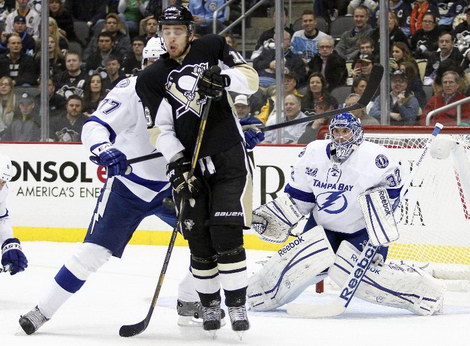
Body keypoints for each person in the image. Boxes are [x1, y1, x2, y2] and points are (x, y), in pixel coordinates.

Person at [18, 36, 219, 335]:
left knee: (212, 240)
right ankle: (43, 310)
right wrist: (103, 148)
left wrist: (242, 139)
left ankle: (189, 299)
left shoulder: (189, 91)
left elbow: (212, 131)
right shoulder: (130, 90)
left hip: (174, 186)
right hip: (128, 188)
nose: (156, 68)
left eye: (162, 62)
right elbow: (95, 125)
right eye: (150, 62)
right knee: (93, 253)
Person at [135, 5, 258, 334]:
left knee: (225, 231)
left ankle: (237, 303)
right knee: (200, 240)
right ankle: (210, 305)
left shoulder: (213, 46)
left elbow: (252, 80)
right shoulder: (151, 79)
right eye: (166, 31)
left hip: (228, 157)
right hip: (190, 168)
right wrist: (178, 163)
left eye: (177, 31)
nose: (171, 37)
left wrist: (224, 79)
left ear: (191, 32)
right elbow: (159, 130)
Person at [248, 112, 444, 315]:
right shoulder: (313, 154)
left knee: (357, 276)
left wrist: (380, 234)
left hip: (360, 231)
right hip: (322, 227)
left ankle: (424, 292)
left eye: (346, 131)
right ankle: (258, 294)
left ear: (357, 133)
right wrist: (277, 217)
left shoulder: (375, 159)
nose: (340, 136)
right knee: (300, 265)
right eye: (336, 131)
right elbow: (301, 197)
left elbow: (392, 196)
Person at [0, 153, 28, 275]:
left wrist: (9, 242)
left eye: (2, 183)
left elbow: (1, 218)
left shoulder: (3, 191)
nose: (1, 187)